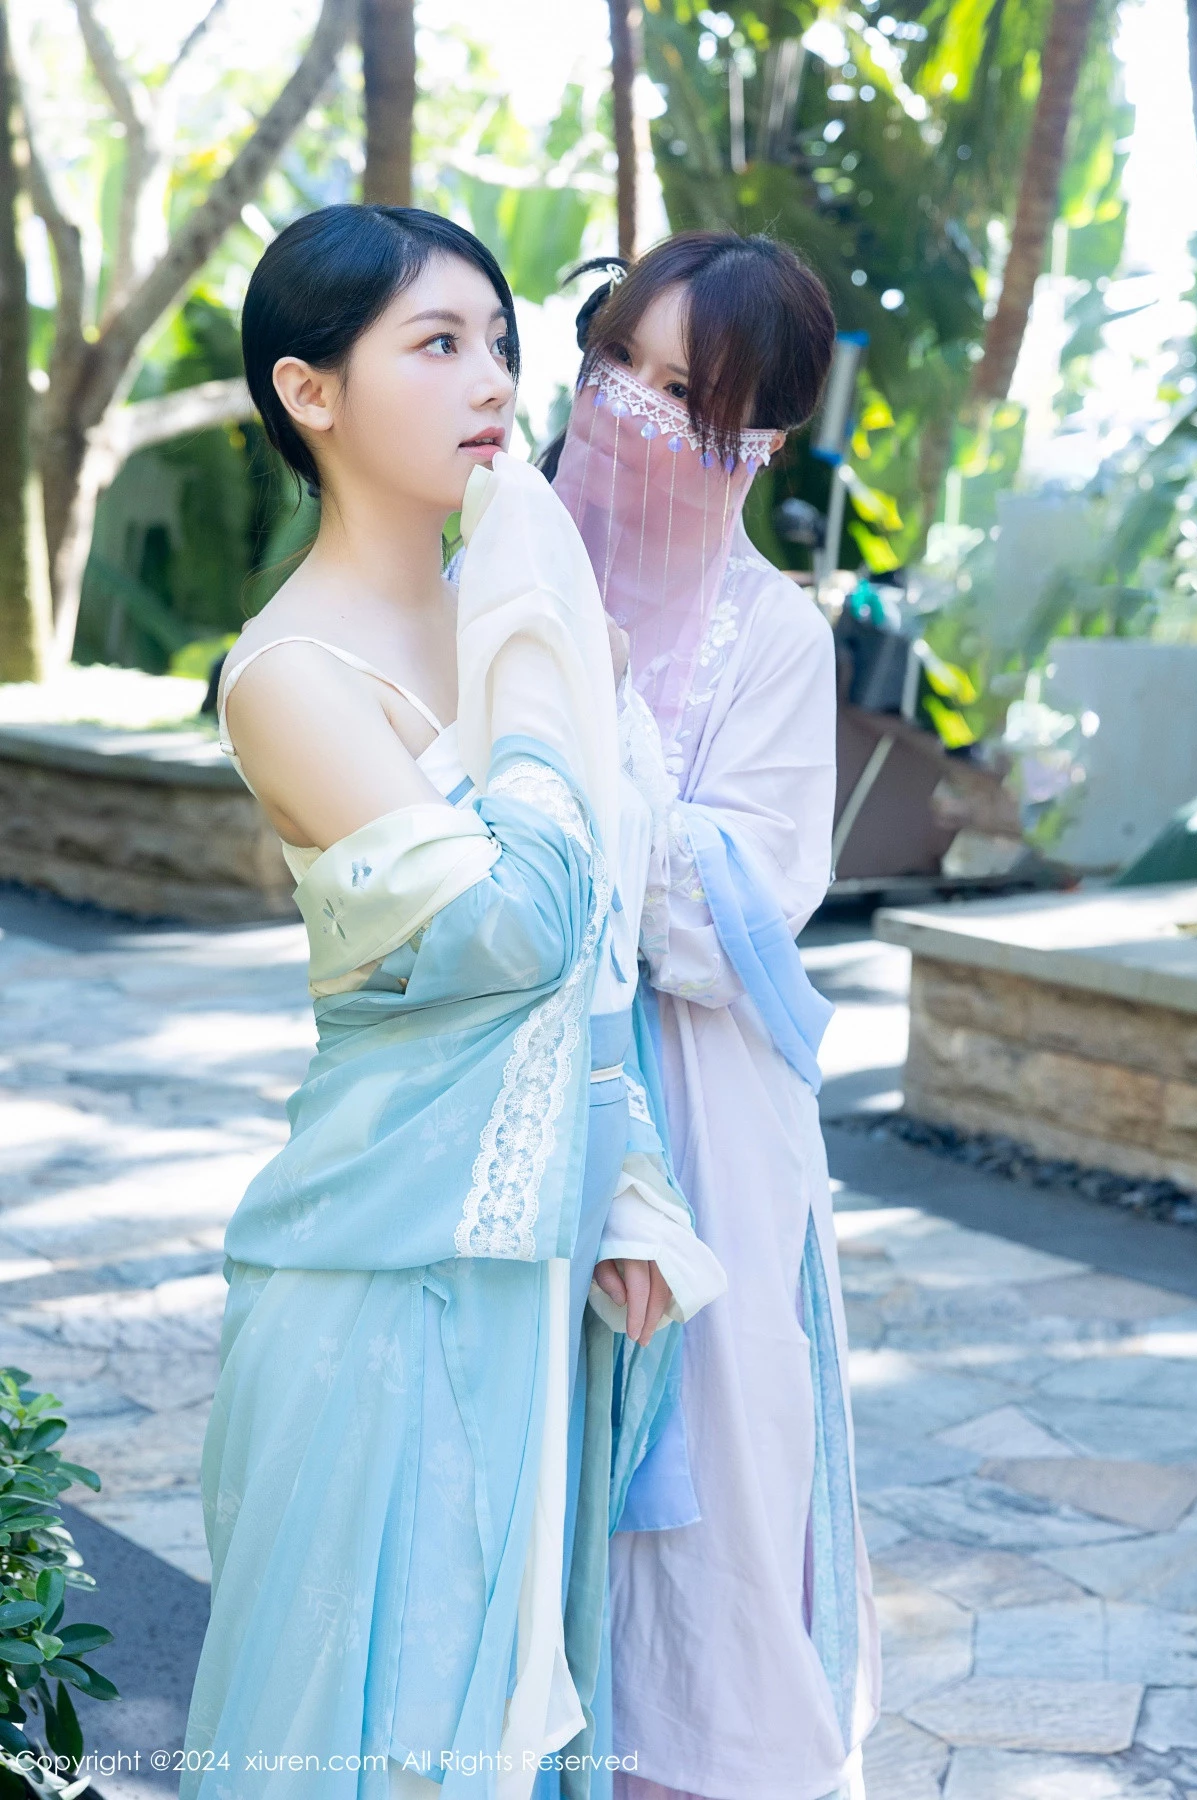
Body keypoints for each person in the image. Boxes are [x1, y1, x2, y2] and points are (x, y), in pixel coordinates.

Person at [179, 204, 724, 1800]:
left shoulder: (510, 605)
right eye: (436, 344)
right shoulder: (292, 676)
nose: (493, 380)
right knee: (381, 1726)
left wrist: (626, 1177)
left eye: (499, 340)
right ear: (310, 392)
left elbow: (601, 949)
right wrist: (541, 653)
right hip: (378, 1271)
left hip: (533, 1248)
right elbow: (517, 926)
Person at [545, 233, 882, 1800]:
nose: (632, 409)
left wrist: (598, 716)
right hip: (509, 1091)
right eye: (624, 361)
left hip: (703, 1119)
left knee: (713, 1495)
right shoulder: (501, 572)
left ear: (762, 438)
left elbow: (726, 918)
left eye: (688, 396)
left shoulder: (773, 634)